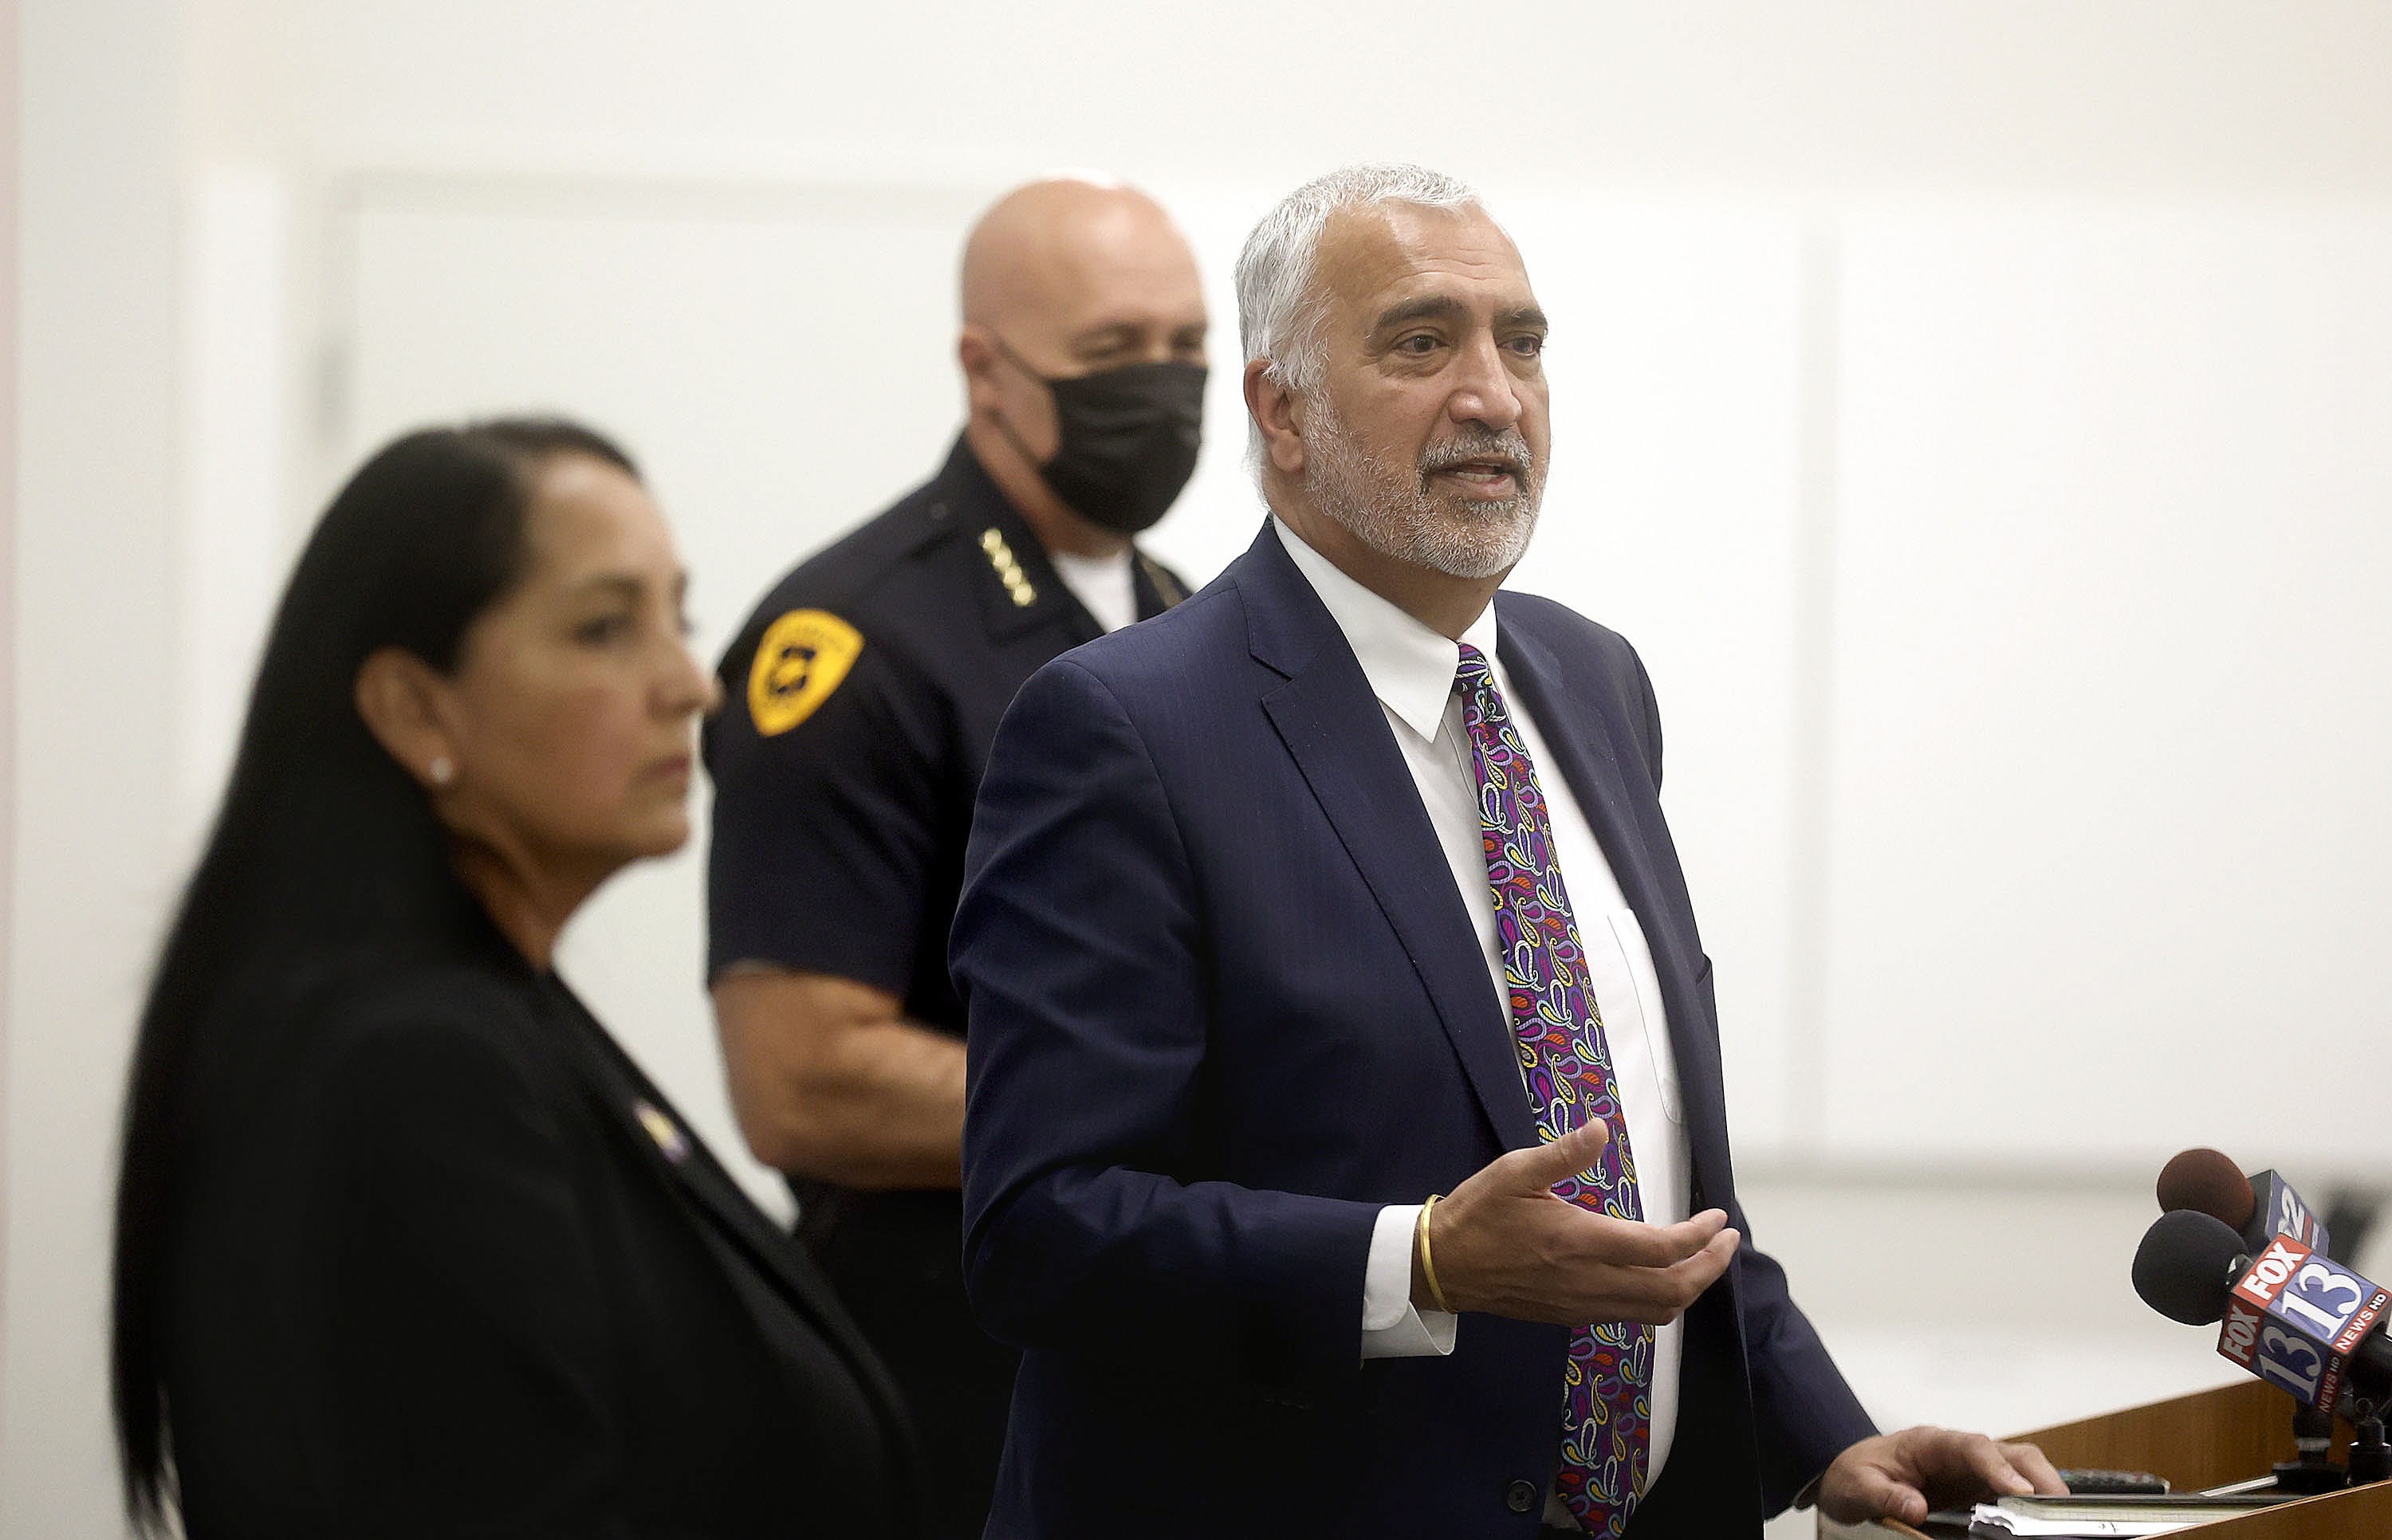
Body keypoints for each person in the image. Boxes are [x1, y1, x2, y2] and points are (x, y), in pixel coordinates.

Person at [951, 165, 2067, 1538]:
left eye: (1521, 343)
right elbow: (1040, 1231)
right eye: (1422, 343)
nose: (1493, 395)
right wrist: (1414, 1261)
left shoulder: (1593, 683)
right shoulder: (1124, 728)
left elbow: (1656, 1171)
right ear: (1279, 411)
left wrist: (1827, 1437)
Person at [110, 420, 921, 1539]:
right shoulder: (416, 1070)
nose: (692, 685)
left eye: (675, 619)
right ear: (413, 709)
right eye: (604, 628)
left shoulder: (495, 1013)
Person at [702, 175, 1205, 1537]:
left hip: (1159, 1371)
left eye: (1188, 349)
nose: (1161, 391)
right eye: (1113, 355)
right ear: (986, 368)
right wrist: (1199, 1105)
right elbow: (802, 1084)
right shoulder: (854, 644)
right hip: (940, 1384)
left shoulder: (1181, 616)